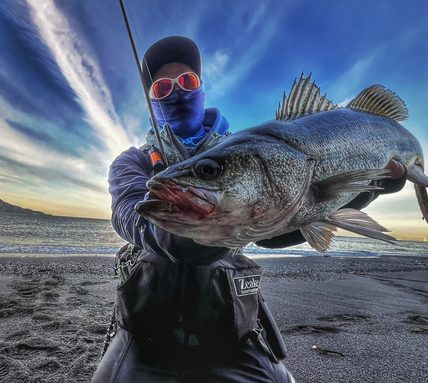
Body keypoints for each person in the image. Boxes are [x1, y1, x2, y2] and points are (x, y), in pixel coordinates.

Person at [91, 36, 295, 383]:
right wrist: (183, 229)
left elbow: (279, 226)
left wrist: (358, 192)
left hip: (232, 334)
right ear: (151, 104)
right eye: (162, 88)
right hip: (146, 337)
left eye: (187, 81)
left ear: (201, 91)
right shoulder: (133, 161)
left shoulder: (247, 154)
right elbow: (128, 215)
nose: (177, 93)